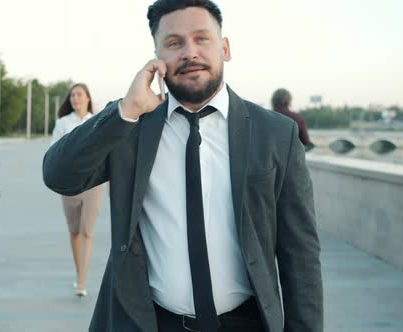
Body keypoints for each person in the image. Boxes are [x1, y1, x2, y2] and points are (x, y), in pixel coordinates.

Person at [43, 1, 322, 331]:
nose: (190, 53)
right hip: (152, 322)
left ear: (225, 48)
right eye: (174, 43)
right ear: (157, 58)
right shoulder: (132, 128)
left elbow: (300, 256)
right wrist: (125, 110)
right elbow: (59, 175)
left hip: (247, 322)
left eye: (202, 38)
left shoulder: (276, 134)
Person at [49, 83, 104, 297]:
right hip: (69, 184)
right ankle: (79, 272)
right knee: (74, 231)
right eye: (72, 95)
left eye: (79, 94)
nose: (75, 98)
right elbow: (54, 149)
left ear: (88, 98)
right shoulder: (63, 123)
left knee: (87, 231)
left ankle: (82, 281)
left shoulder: (97, 121)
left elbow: (105, 151)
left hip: (93, 183)